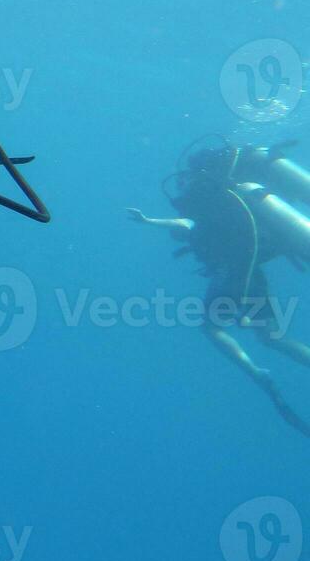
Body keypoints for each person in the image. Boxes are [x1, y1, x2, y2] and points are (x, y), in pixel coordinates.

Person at [129, 141, 310, 436]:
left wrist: (148, 220)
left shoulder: (205, 212)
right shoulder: (227, 204)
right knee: (271, 336)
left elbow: (182, 222)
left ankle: (255, 371)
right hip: (251, 272)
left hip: (234, 275)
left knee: (211, 328)